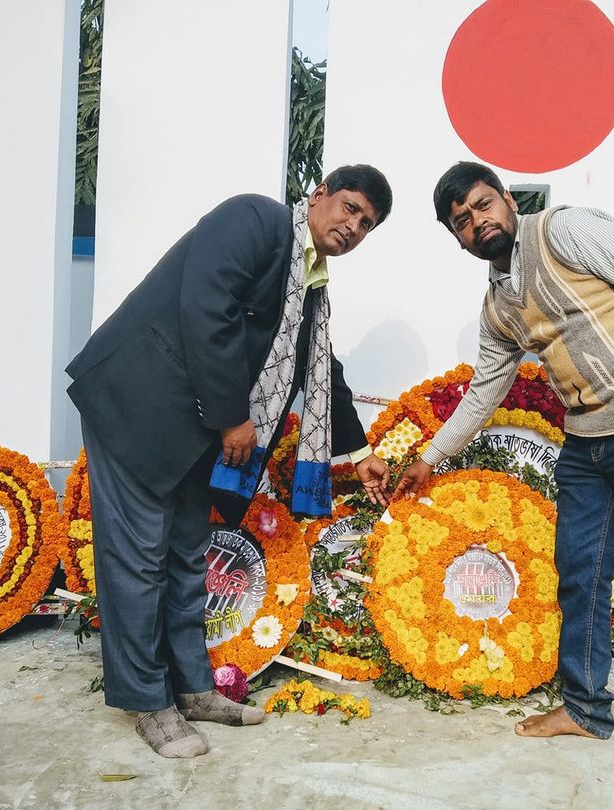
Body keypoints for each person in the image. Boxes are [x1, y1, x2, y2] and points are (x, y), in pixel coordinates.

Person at [394, 162, 614, 805]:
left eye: (482, 205)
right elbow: (485, 390)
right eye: (463, 222)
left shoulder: (567, 230)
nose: (478, 223)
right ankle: (586, 708)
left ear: (506, 198)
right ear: (459, 239)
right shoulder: (499, 303)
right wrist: (431, 456)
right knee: (580, 570)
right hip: (589, 441)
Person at [66, 165, 394, 758]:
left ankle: (192, 688)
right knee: (140, 557)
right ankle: (147, 701)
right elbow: (205, 306)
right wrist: (231, 418)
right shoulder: (257, 220)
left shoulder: (311, 284)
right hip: (138, 405)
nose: (352, 226)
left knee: (189, 555)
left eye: (366, 224)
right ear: (319, 194)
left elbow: (318, 367)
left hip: (198, 432)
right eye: (348, 207)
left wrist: (361, 451)